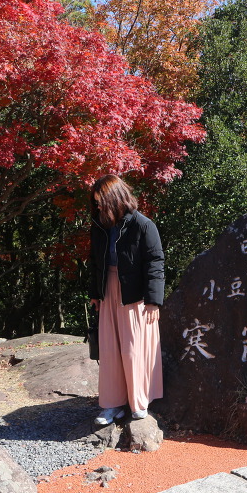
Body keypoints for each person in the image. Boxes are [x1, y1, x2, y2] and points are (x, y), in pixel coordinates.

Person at [88, 174, 164, 425]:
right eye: (96, 202)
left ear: (114, 198)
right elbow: (94, 261)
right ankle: (112, 404)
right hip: (108, 290)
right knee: (109, 350)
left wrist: (153, 300)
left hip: (135, 294)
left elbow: (155, 263)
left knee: (133, 350)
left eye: (101, 201)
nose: (98, 206)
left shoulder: (143, 225)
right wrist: (95, 294)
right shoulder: (99, 225)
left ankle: (138, 402)